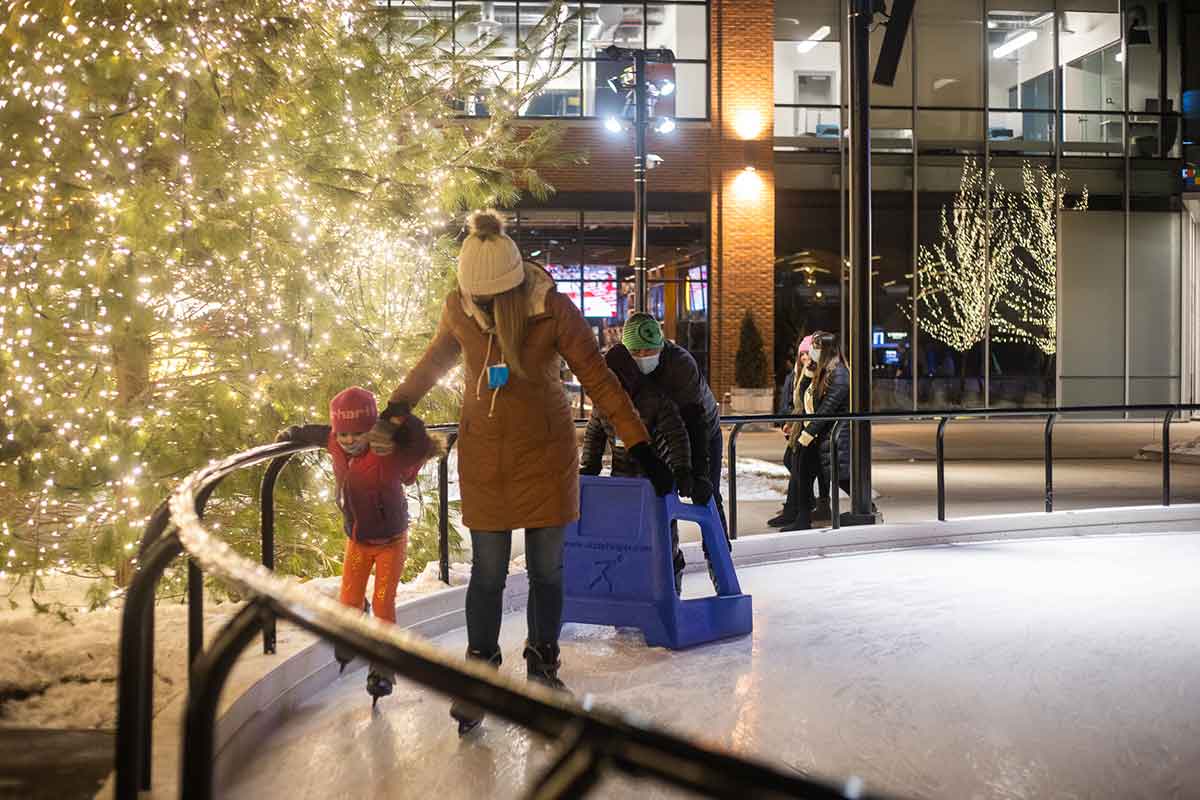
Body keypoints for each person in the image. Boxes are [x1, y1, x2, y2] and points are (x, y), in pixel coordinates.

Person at [369, 210, 673, 734]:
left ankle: (542, 668)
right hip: (486, 458)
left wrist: (640, 445)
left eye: (488, 300)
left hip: (546, 457)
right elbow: (431, 364)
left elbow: (599, 380)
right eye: (474, 299)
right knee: (487, 571)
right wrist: (396, 408)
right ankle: (480, 671)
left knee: (547, 570)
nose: (480, 307)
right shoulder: (459, 307)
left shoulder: (550, 308)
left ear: (510, 288)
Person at [278, 386, 435, 702]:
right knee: (348, 599)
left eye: (357, 433)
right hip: (357, 539)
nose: (349, 440)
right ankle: (352, 627)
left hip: (391, 540)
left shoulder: (386, 449)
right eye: (343, 433)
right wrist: (290, 434)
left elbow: (419, 443)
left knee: (382, 602)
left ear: (372, 429)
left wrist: (399, 418)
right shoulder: (334, 441)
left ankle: (382, 668)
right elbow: (314, 432)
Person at [580, 345, 693, 593]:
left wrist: (682, 469)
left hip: (656, 483)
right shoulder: (604, 404)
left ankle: (670, 588)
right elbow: (594, 435)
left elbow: (676, 435)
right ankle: (627, 589)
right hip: (622, 483)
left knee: (663, 538)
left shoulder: (654, 399)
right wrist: (589, 466)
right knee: (623, 538)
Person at [613, 313, 726, 537]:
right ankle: (667, 557)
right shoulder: (619, 364)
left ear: (661, 345)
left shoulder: (680, 365)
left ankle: (717, 554)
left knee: (705, 492)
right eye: (636, 352)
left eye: (649, 350)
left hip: (701, 428)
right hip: (657, 432)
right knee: (658, 493)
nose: (643, 356)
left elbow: (695, 421)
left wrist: (698, 471)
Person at [784, 331, 850, 531]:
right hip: (817, 433)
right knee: (801, 469)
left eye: (816, 346)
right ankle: (803, 518)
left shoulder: (838, 374)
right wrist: (808, 371)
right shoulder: (818, 371)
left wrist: (808, 432)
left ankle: (864, 507)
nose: (811, 350)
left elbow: (826, 409)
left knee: (841, 477)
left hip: (831, 434)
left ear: (827, 349)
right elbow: (803, 397)